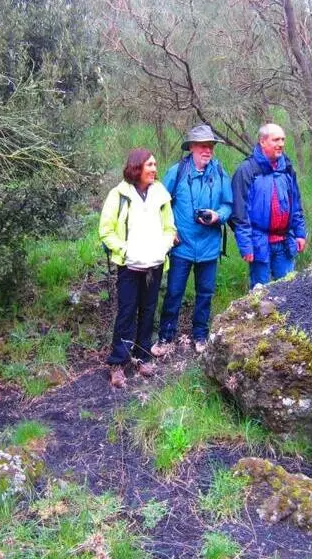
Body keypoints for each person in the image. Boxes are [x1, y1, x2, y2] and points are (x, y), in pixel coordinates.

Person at [151, 125, 233, 356]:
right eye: (203, 146)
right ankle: (166, 337)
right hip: (181, 245)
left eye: (211, 146)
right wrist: (169, 232)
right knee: (174, 292)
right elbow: (159, 204)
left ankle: (200, 336)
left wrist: (218, 216)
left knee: (205, 294)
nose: (208, 150)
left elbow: (228, 205)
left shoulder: (219, 174)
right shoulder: (176, 173)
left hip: (209, 246)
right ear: (193, 148)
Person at [99, 148, 176, 388]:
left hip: (154, 265)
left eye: (155, 165)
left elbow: (169, 229)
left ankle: (142, 358)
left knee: (148, 311)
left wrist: (162, 249)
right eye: (149, 165)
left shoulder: (160, 194)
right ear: (137, 167)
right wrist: (125, 251)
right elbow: (106, 230)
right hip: (129, 267)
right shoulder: (118, 195)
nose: (154, 169)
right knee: (126, 313)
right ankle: (118, 364)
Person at [231, 123, 307, 289]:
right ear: (262, 142)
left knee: (289, 291)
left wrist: (300, 233)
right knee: (260, 296)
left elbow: (296, 204)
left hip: (285, 242)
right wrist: (246, 246)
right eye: (276, 140)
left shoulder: (286, 167)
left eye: (283, 139)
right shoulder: (247, 170)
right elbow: (239, 213)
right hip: (259, 243)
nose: (281, 144)